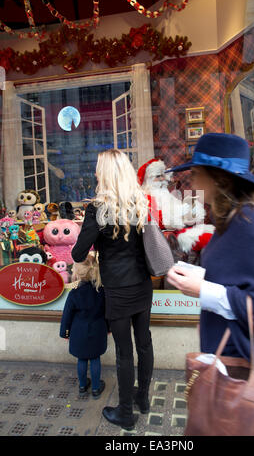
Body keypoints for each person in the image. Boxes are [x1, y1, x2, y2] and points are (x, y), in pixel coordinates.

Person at [167, 132, 254, 381]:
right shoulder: (234, 219)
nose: (192, 184)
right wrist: (202, 279)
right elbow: (241, 277)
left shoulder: (251, 222)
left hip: (249, 379)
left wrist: (203, 290)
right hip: (233, 367)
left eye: (196, 174)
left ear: (218, 179)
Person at [71, 149, 154, 431]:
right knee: (144, 342)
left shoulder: (98, 208)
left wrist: (95, 247)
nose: (95, 172)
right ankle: (143, 399)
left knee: (124, 351)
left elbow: (78, 252)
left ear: (104, 173)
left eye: (98, 168)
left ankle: (126, 413)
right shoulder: (140, 202)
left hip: (118, 288)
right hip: (143, 283)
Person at [60, 254, 107, 398]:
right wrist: (110, 328)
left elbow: (67, 315)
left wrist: (65, 333)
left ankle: (82, 385)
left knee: (81, 359)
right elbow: (108, 312)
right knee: (95, 359)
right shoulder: (102, 292)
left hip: (78, 331)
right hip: (98, 329)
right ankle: (96, 388)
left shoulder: (74, 293)